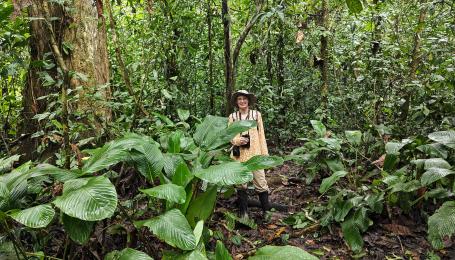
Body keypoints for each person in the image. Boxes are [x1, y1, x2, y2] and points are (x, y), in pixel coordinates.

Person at [228, 90, 271, 219]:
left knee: (261, 183)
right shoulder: (233, 117)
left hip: (255, 154)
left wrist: (265, 155)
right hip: (239, 155)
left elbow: (261, 135)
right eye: (239, 99)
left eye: (244, 99)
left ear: (248, 101)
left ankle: (266, 213)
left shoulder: (256, 115)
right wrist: (236, 140)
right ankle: (243, 214)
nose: (242, 101)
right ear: (236, 102)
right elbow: (229, 134)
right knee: (241, 184)